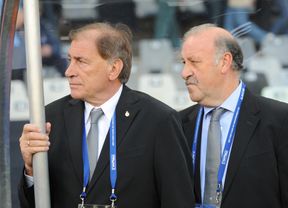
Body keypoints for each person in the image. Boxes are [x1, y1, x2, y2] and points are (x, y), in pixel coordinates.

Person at [18, 22, 194, 208]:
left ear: (114, 69)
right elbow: (30, 203)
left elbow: (177, 199)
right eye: (70, 60)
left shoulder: (158, 120)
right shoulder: (50, 118)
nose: (69, 72)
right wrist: (31, 170)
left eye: (81, 61)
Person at [179, 23, 288, 208]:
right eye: (183, 63)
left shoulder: (281, 121)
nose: (184, 73)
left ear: (224, 62)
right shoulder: (177, 124)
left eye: (194, 62)